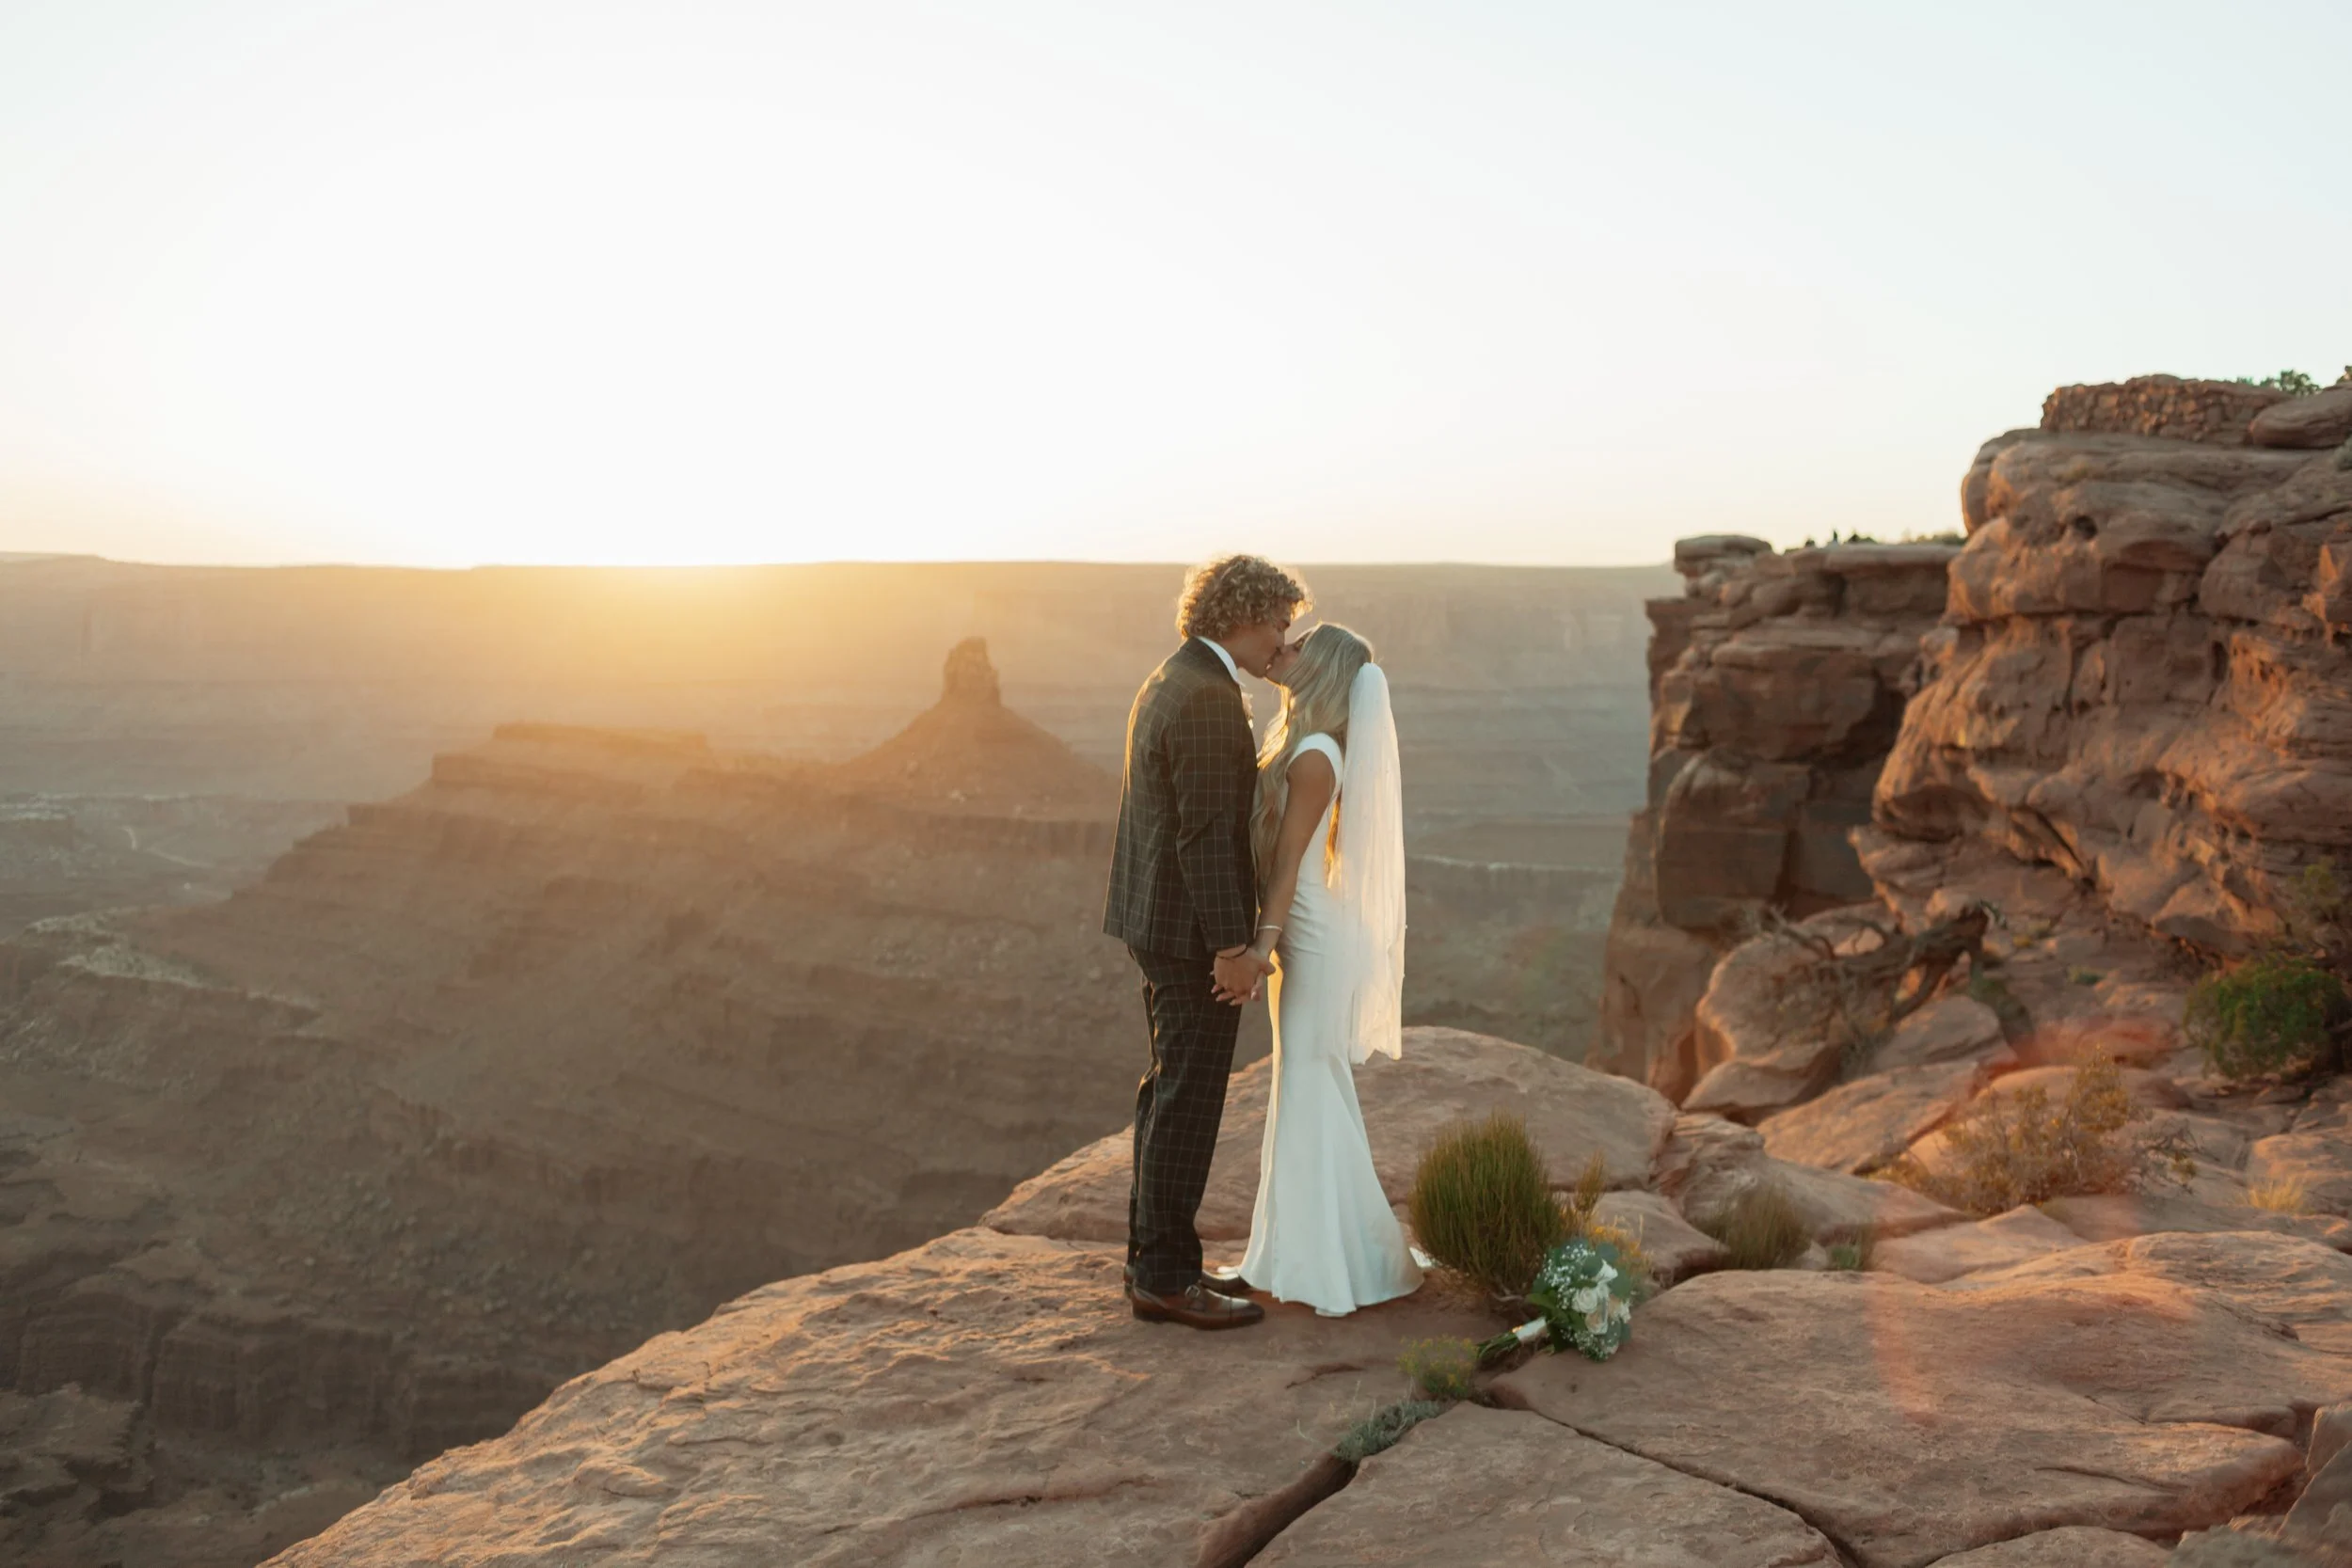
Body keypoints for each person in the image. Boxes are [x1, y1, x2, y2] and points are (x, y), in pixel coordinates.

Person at [1102, 554, 1306, 1330]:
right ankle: (1164, 1277)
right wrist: (1233, 946)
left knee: (1168, 1087)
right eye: (1277, 621)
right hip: (1192, 936)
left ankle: (1155, 1258)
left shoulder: (1169, 678)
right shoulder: (1212, 700)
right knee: (1189, 1096)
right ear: (1241, 616)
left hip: (1154, 921)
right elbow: (1205, 835)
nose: (1281, 640)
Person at [1223, 622, 1421, 1316]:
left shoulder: (1313, 755)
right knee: (1305, 1083)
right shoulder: (1303, 738)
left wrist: (1259, 946)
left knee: (1309, 1082)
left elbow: (1285, 865)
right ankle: (1293, 1253)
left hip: (1309, 935)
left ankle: (1331, 1265)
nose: (1287, 646)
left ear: (1326, 668)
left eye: (1301, 642)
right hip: (1305, 933)